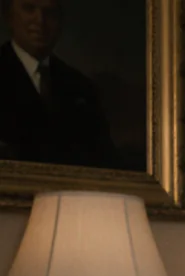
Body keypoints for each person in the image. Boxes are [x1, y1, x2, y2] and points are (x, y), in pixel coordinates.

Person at [0, 0, 121, 168]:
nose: (40, 20)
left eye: (49, 12)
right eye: (29, 9)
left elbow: (105, 161)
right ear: (9, 16)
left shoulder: (81, 87)